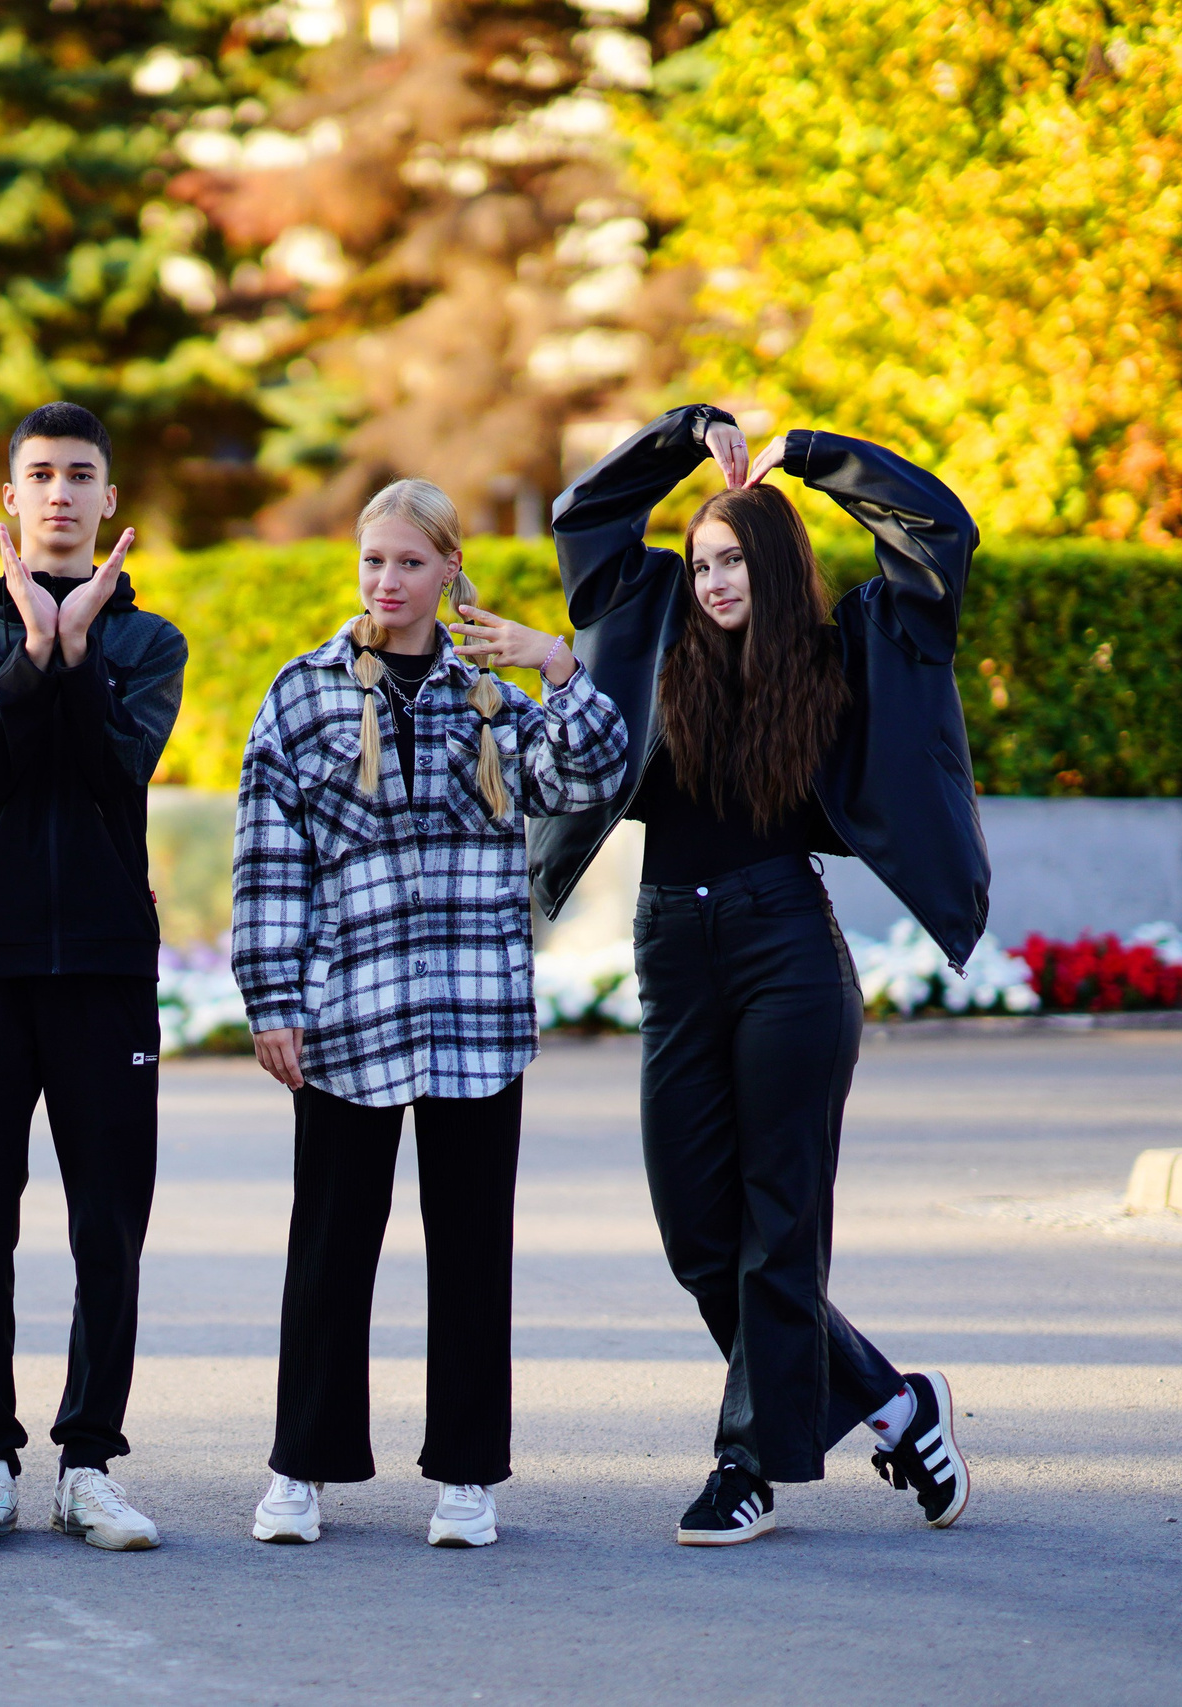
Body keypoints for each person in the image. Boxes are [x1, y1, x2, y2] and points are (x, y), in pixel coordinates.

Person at [535, 407, 985, 1546]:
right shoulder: (644, 625)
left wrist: (814, 456)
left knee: (775, 1230)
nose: (711, 580)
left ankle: (747, 1467)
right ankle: (892, 1403)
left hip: (787, 945)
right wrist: (688, 433)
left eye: (732, 560)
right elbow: (584, 513)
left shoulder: (845, 650)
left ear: (773, 565)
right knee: (699, 1234)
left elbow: (938, 532)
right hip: (671, 947)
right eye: (699, 561)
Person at [230, 479, 630, 1548]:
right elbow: (269, 862)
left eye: (410, 562)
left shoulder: (491, 694)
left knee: (469, 1251)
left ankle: (467, 1476)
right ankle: (301, 1471)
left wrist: (553, 661)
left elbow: (592, 775)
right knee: (327, 1249)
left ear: (449, 568)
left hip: (473, 1013)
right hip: (348, 1013)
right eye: (373, 562)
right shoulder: (303, 693)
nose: (387, 582)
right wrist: (272, 1001)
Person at [0, 402, 187, 1552]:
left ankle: (89, 1462)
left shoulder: (152, 642)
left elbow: (116, 764)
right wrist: (32, 650)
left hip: (107, 967)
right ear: (9, 503)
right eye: (41, 476)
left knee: (108, 1228)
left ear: (110, 501)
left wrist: (76, 649)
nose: (62, 494)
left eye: (82, 476)